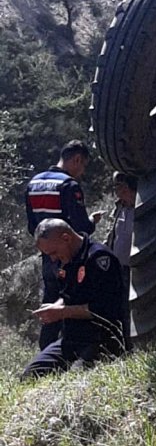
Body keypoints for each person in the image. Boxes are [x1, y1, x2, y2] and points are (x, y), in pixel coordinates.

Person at [21, 218, 125, 380]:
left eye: (53, 252)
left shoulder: (98, 258)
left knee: (75, 380)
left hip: (101, 339)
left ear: (66, 238)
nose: (53, 259)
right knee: (29, 376)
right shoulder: (65, 260)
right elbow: (67, 296)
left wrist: (62, 312)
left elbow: (105, 309)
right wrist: (55, 307)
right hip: (71, 339)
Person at [25, 140, 104, 348]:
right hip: (67, 257)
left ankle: (46, 348)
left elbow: (32, 227)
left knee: (50, 299)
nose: (82, 171)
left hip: (47, 256)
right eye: (83, 165)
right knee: (70, 300)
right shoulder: (69, 185)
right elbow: (80, 227)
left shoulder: (33, 183)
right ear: (76, 159)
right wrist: (92, 223)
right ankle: (71, 349)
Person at [105, 171, 138, 347]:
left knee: (131, 308)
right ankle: (120, 344)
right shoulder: (119, 208)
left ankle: (132, 344)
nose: (117, 191)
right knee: (118, 307)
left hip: (136, 269)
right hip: (118, 267)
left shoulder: (145, 208)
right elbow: (112, 235)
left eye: (119, 186)